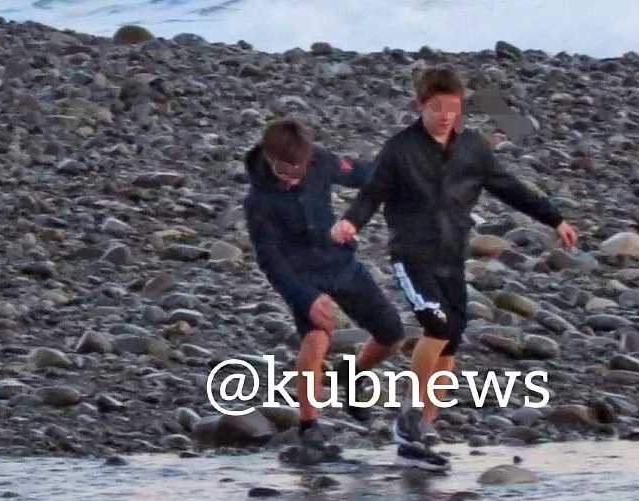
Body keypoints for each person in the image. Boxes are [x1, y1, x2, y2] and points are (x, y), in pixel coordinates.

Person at [330, 66, 579, 462]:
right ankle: (408, 419)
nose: (446, 115)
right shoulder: (400, 149)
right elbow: (372, 193)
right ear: (421, 105)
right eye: (437, 107)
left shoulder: (472, 148)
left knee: (450, 343)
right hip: (412, 255)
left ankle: (422, 430)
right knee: (437, 326)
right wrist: (350, 222)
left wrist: (554, 219)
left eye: (454, 107)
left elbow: (509, 187)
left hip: (451, 257)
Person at [243, 118, 409, 464]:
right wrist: (305, 297)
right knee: (317, 340)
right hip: (300, 277)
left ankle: (353, 373)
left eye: (299, 170)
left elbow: (362, 173)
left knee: (392, 334)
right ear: (270, 158)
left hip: (340, 263)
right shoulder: (258, 201)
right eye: (285, 171)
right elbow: (270, 262)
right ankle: (309, 426)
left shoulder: (320, 159)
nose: (293, 178)